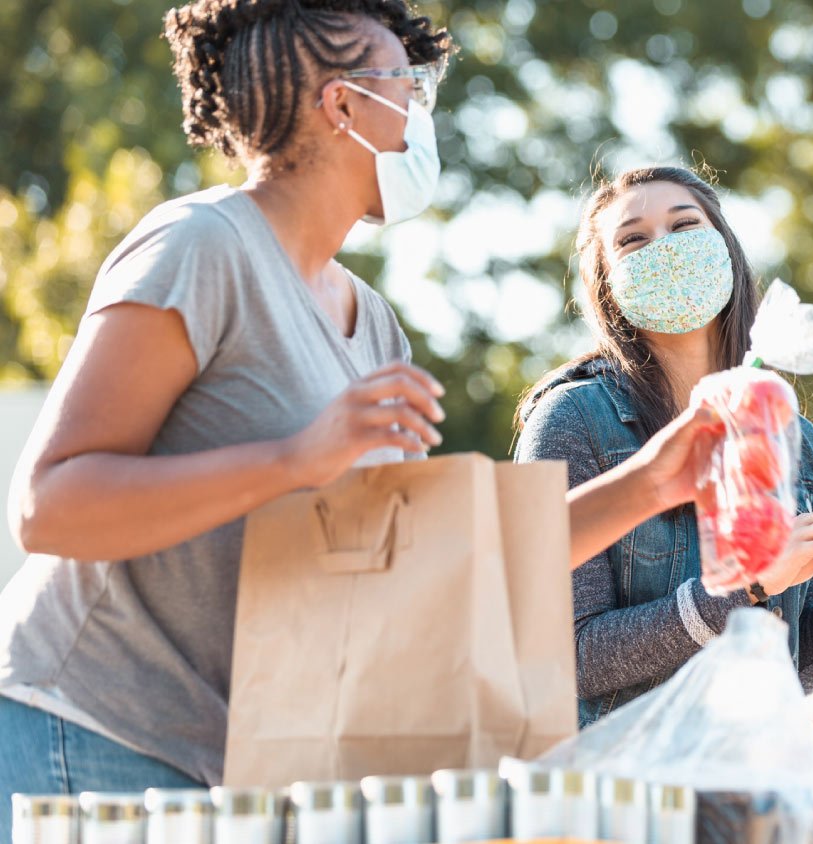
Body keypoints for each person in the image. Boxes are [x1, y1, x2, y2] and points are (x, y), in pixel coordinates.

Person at [0, 0, 716, 817]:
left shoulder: (374, 325)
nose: (420, 109)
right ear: (342, 103)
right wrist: (293, 460)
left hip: (230, 769)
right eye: (405, 83)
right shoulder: (199, 247)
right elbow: (47, 506)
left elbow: (422, 572)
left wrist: (652, 485)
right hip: (85, 725)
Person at [515, 166, 813, 726]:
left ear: (726, 250)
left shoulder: (796, 441)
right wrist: (745, 587)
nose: (664, 248)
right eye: (633, 239)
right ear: (607, 285)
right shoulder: (573, 420)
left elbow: (783, 671)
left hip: (747, 784)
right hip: (616, 792)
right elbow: (560, 657)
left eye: (684, 225)